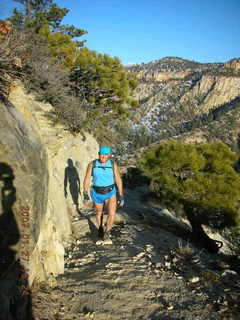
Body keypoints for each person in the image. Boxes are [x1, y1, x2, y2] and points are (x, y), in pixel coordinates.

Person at [83, 146, 124, 242]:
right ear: (99, 154)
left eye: (106, 154)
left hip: (110, 192)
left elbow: (118, 179)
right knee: (98, 212)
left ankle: (107, 232)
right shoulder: (92, 164)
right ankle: (100, 228)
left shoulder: (112, 164)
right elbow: (87, 178)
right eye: (102, 154)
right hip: (97, 193)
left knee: (112, 212)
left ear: (109, 155)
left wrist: (121, 195)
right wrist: (85, 192)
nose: (104, 156)